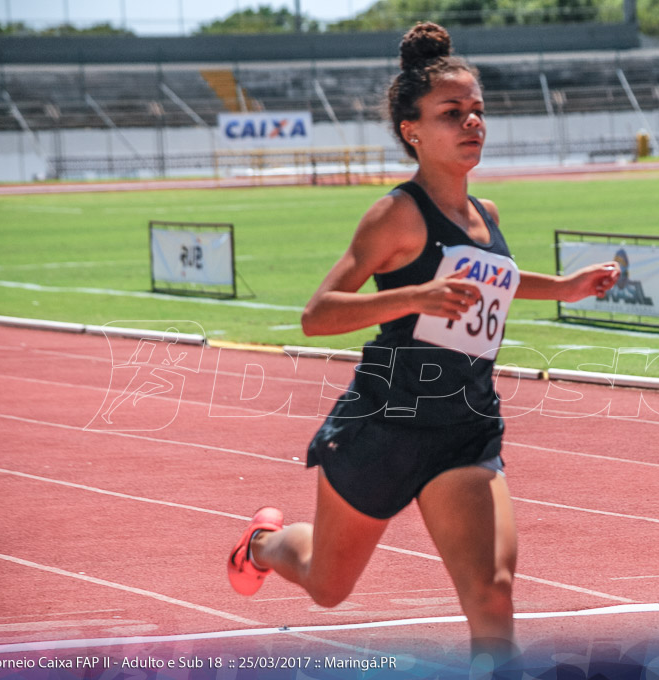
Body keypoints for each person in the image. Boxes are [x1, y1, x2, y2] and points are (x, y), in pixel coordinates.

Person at [227, 22, 620, 665]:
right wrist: (411, 298)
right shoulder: (396, 215)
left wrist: (566, 287)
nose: (472, 124)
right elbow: (317, 315)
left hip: (464, 424)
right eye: (451, 113)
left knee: (492, 598)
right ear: (412, 130)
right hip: (388, 419)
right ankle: (264, 544)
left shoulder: (485, 214)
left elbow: (490, 283)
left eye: (477, 112)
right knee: (328, 587)